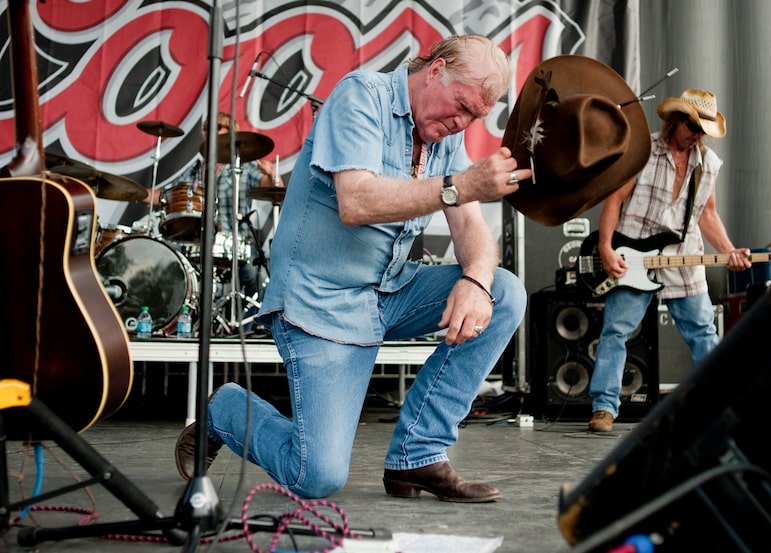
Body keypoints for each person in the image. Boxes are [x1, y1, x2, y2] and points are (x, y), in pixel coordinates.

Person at [175, 34, 531, 502]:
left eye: (474, 117)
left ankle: (418, 456)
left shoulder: (448, 135)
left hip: (387, 293)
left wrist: (474, 280)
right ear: (437, 69)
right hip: (322, 303)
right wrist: (461, 185)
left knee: (502, 292)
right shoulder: (361, 95)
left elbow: (470, 228)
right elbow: (357, 201)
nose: (461, 122)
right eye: (460, 105)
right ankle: (225, 408)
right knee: (316, 477)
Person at [586, 88, 751, 433]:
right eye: (692, 125)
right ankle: (604, 407)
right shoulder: (643, 149)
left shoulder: (709, 164)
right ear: (676, 120)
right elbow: (614, 199)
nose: (696, 135)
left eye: (702, 129)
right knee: (616, 330)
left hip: (683, 253)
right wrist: (605, 246)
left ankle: (713, 403)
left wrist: (730, 249)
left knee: (703, 330)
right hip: (633, 250)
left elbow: (707, 214)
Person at [171, 112, 284, 334]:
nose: (212, 131)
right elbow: (171, 195)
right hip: (201, 242)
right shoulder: (196, 169)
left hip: (238, 243)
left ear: (232, 133)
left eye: (219, 127)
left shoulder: (243, 167)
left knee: (256, 278)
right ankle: (186, 326)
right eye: (206, 127)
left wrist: (273, 175)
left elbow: (275, 190)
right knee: (177, 268)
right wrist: (135, 193)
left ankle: (246, 329)